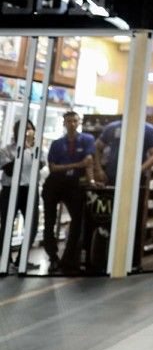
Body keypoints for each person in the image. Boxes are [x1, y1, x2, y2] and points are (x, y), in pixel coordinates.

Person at [43, 111, 96, 273]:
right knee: (49, 221)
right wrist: (77, 165)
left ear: (79, 122)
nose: (72, 124)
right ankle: (52, 257)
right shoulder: (57, 144)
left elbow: (89, 163)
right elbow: (53, 168)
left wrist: (92, 181)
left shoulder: (87, 140)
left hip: (74, 185)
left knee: (77, 220)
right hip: (55, 183)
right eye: (69, 121)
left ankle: (69, 258)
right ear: (64, 123)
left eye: (75, 121)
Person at [1, 119, 40, 270]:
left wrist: (29, 149)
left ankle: (21, 260)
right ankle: (6, 260)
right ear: (16, 131)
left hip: (29, 190)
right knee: (6, 226)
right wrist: (24, 148)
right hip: (11, 190)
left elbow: (40, 165)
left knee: (32, 226)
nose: (27, 132)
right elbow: (9, 170)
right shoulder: (6, 150)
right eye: (24, 129)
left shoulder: (36, 149)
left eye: (30, 129)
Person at [94, 119, 153, 185]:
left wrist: (139, 171)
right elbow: (97, 147)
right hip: (112, 174)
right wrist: (99, 169)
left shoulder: (148, 130)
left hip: (136, 178)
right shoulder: (112, 127)